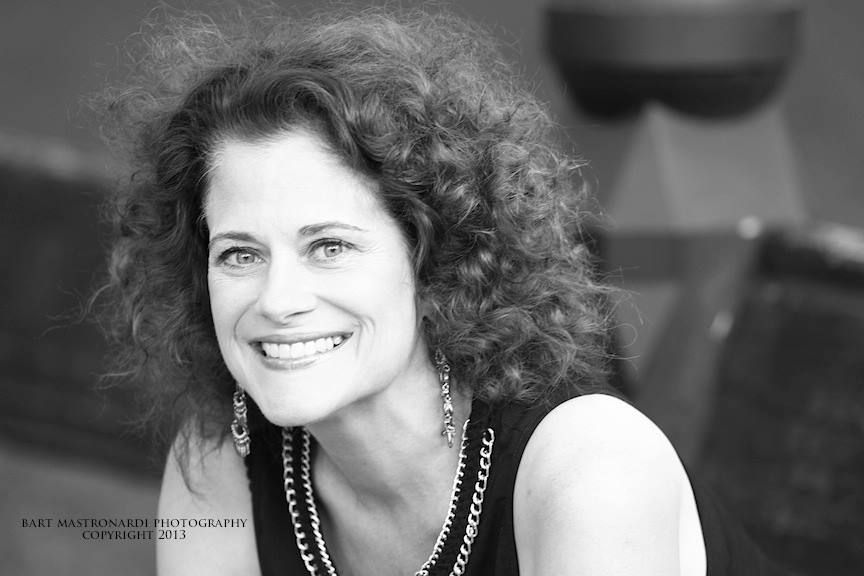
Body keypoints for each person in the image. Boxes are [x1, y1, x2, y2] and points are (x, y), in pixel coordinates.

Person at [97, 6, 785, 576]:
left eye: (329, 247)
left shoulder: (590, 475)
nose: (276, 300)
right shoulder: (220, 464)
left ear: (435, 257)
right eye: (240, 254)